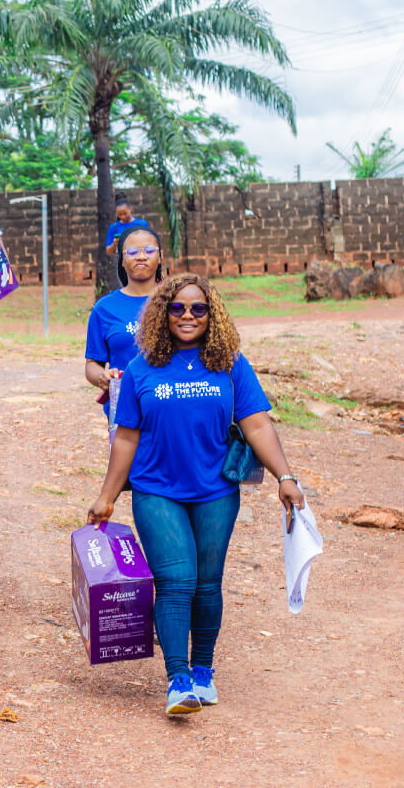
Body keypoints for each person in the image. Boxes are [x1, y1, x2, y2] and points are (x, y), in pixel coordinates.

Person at [87, 274, 305, 715]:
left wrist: (286, 476)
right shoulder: (140, 368)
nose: (188, 316)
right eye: (178, 308)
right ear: (162, 313)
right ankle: (178, 679)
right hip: (156, 490)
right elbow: (126, 437)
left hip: (215, 491)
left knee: (208, 584)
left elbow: (257, 424)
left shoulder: (229, 364)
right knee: (177, 579)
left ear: (212, 315)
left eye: (198, 309)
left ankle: (203, 671)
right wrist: (107, 495)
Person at [84, 225, 165, 398]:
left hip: (170, 405)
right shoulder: (104, 309)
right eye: (133, 251)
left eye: (150, 250)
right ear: (122, 259)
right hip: (124, 407)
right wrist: (102, 377)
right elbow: (92, 364)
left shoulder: (177, 302)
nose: (141, 256)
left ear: (159, 257)